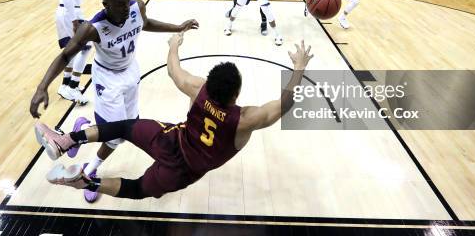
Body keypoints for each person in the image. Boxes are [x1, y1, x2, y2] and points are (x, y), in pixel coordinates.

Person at [34, 35, 313, 200]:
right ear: (237, 93)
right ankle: (86, 182)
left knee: (124, 126)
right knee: (138, 189)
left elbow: (173, 71)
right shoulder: (245, 119)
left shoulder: (198, 88)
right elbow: (284, 104)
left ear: (209, 83)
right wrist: (298, 68)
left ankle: (67, 140)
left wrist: (174, 44)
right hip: (184, 171)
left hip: (168, 139)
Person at [30, 0, 199, 203]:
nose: (125, 10)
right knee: (117, 135)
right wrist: (42, 87)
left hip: (130, 72)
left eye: (126, 4)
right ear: (106, 5)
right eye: (119, 6)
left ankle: (81, 132)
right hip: (107, 79)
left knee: (129, 126)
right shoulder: (92, 28)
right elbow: (64, 56)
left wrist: (177, 27)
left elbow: (145, 23)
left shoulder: (136, 8)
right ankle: (87, 168)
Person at [55, 0, 92, 104]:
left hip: (62, 11)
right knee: (85, 48)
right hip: (71, 11)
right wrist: (74, 20)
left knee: (71, 51)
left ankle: (64, 86)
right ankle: (73, 86)